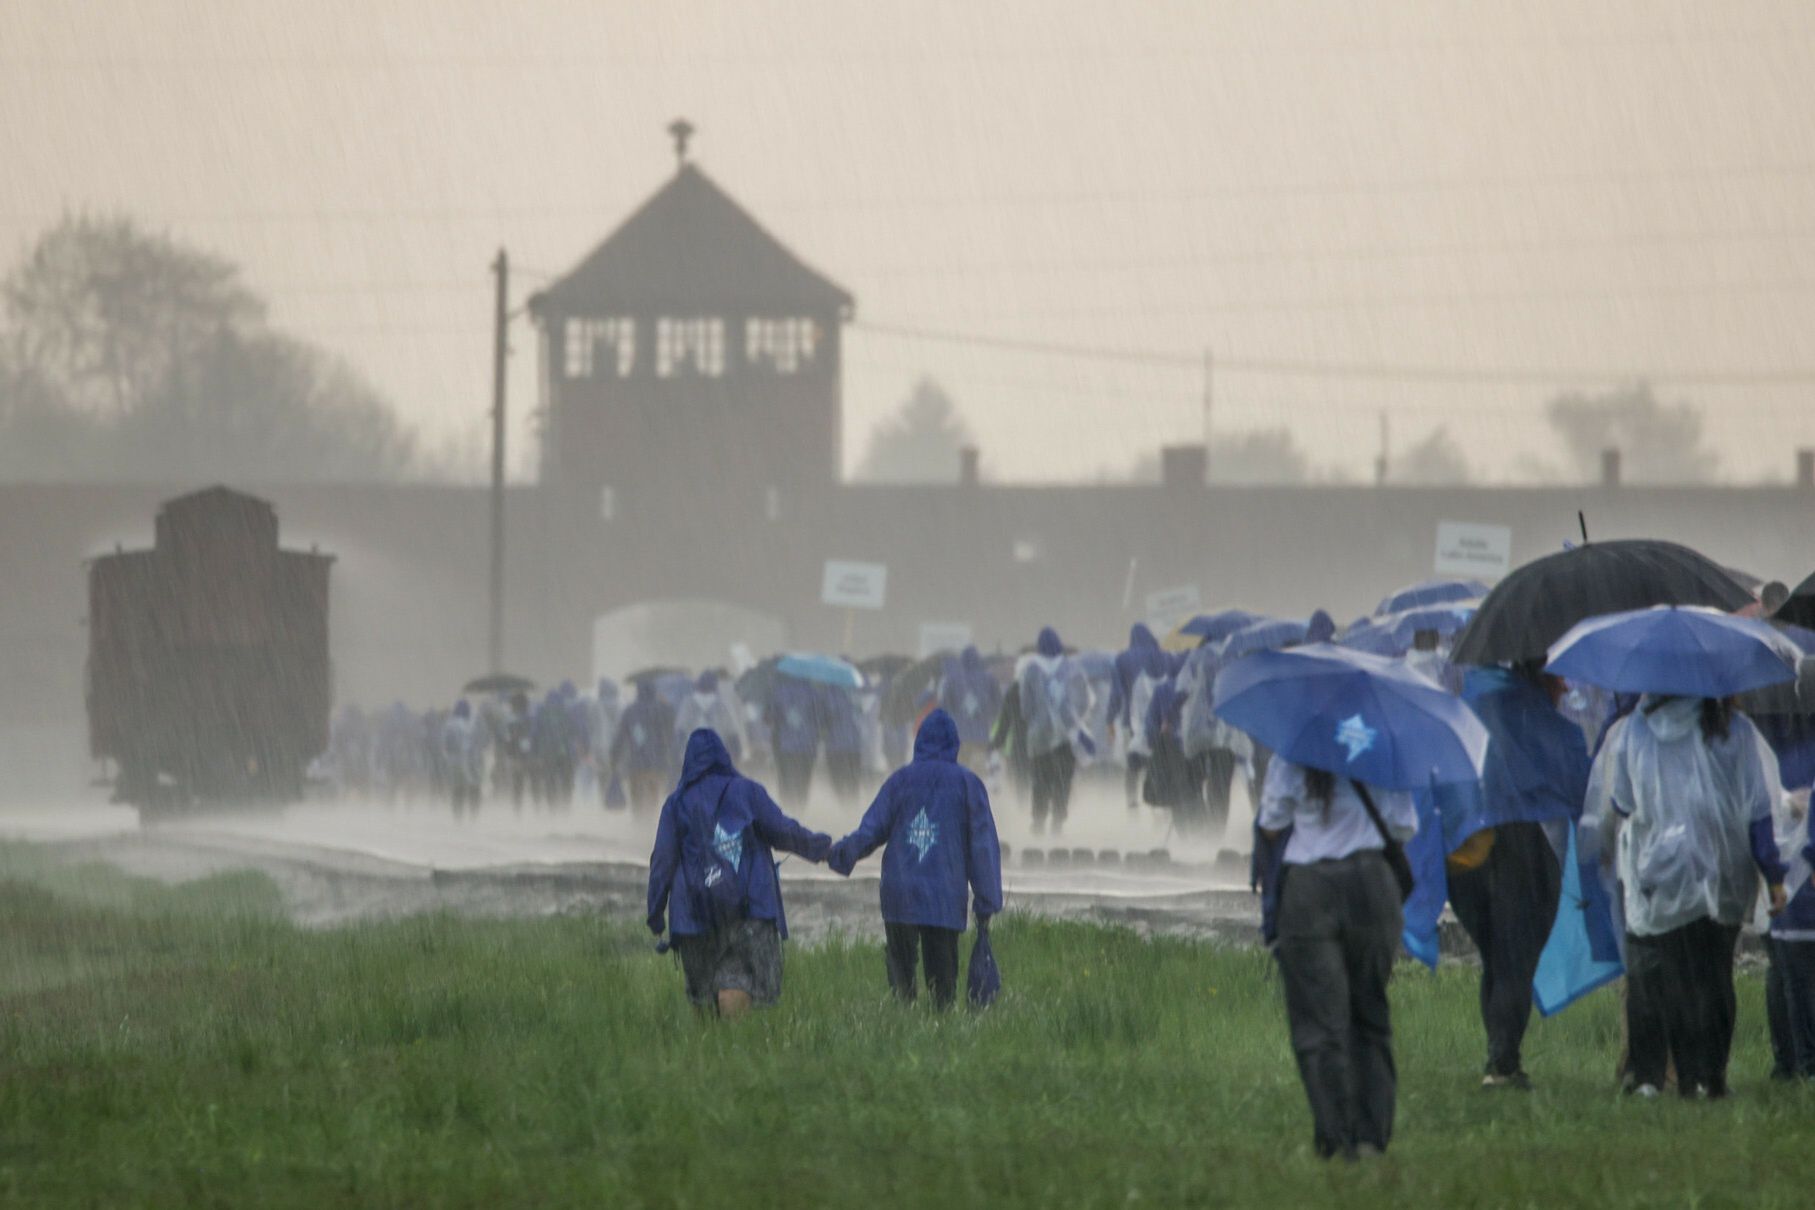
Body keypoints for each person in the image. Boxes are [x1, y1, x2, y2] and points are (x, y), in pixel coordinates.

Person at [1584, 695, 1788, 1098]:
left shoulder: (1636, 729)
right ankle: (1712, 1077)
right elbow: (1759, 809)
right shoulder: (1735, 729)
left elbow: (1622, 801)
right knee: (1715, 977)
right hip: (1724, 872)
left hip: (1661, 873)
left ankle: (1682, 1077)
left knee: (1674, 977)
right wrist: (1773, 875)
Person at [1441, 662, 1590, 1090]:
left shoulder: (1472, 705)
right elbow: (1577, 780)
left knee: (1496, 957)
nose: (1565, 686)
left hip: (1466, 851)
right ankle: (1503, 1064)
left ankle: (1498, 1055)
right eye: (1559, 677)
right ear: (1540, 675)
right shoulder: (1535, 718)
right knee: (1515, 961)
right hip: (1517, 850)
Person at [1259, 757, 1416, 1161]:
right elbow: (1403, 827)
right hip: (1373, 885)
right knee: (1370, 1013)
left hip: (1309, 888)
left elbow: (1272, 824)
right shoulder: (1383, 745)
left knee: (1319, 1022)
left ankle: (1335, 1136)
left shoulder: (1293, 748)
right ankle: (1371, 1137)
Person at [646, 729, 831, 1018]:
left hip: (694, 915)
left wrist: (656, 912)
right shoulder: (747, 792)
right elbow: (783, 831)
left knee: (703, 993)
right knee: (738, 979)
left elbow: (662, 861)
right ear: (724, 756)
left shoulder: (676, 803)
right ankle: (734, 1040)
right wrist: (823, 849)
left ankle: (710, 1045)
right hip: (748, 908)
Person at [828, 710, 1004, 1008]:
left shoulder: (900, 781)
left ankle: (902, 1020)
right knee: (942, 988)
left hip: (900, 893)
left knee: (901, 984)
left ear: (918, 741)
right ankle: (939, 1025)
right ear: (955, 744)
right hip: (944, 895)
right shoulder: (968, 784)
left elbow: (871, 830)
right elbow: (982, 847)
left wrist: (840, 854)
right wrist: (987, 902)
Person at [1018, 627, 1094, 836]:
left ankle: (1038, 820)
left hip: (1039, 737)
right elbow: (1084, 702)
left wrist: (1037, 721)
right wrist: (1073, 719)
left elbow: (1025, 707)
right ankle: (1058, 821)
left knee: (1040, 780)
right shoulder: (1073, 669)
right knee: (1063, 780)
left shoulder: (1031, 670)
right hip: (1067, 736)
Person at [1765, 784, 1815, 1081]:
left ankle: (1795, 1062)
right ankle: (1799, 1062)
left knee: (1790, 976)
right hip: (1788, 874)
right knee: (1792, 975)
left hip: (1787, 869)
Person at [1108, 624, 1169, 812]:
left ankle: (1132, 803)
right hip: (1160, 720)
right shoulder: (1161, 656)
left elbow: (1116, 694)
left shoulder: (1122, 659)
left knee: (1133, 764)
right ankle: (1158, 805)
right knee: (1158, 763)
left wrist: (1109, 719)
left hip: (1131, 721)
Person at [613, 678, 677, 818]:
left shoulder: (630, 711)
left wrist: (614, 758)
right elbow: (671, 731)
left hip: (636, 764)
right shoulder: (663, 709)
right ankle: (649, 823)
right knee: (653, 795)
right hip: (657, 762)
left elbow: (620, 738)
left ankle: (638, 822)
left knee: (636, 797)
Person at [937, 646, 1001, 775]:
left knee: (960, 768)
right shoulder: (989, 679)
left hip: (959, 735)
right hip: (981, 734)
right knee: (978, 771)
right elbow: (998, 704)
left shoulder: (952, 680)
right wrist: (988, 715)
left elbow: (944, 707)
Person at [766, 673, 821, 807]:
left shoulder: (778, 692)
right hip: (808, 746)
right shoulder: (814, 693)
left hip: (786, 746)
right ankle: (801, 808)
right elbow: (820, 718)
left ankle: (787, 808)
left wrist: (782, 717)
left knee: (786, 780)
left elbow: (768, 717)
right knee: (804, 780)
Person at [674, 670, 747, 763]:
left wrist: (678, 751)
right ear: (714, 687)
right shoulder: (720, 705)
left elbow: (681, 729)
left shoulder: (688, 703)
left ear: (698, 685)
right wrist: (736, 753)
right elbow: (731, 732)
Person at [819, 682, 865, 807]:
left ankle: (843, 805)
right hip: (854, 746)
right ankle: (851, 808)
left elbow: (822, 721)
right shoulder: (858, 691)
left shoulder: (828, 694)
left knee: (837, 782)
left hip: (835, 747)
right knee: (853, 783)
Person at [441, 699, 485, 817]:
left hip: (455, 761)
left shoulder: (449, 725)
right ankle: (474, 814)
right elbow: (483, 741)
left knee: (458, 789)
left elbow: (446, 744)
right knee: (474, 787)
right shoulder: (474, 724)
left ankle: (458, 816)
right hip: (473, 760)